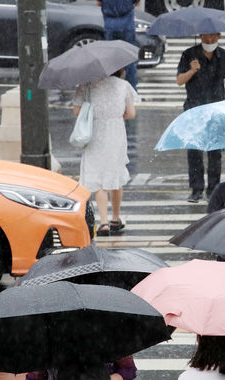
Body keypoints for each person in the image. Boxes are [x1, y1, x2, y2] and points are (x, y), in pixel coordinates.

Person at [74, 69, 137, 236]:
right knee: (115, 175)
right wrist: (116, 115)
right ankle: (115, 218)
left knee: (99, 178)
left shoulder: (86, 85)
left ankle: (103, 222)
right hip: (116, 133)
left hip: (95, 133)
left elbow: (76, 111)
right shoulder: (124, 86)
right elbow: (131, 113)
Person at [177, 33, 225, 203]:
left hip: (216, 108)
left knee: (215, 151)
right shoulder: (188, 54)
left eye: (213, 38)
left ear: (219, 36)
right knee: (194, 150)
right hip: (194, 108)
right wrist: (192, 70)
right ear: (200, 36)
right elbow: (179, 81)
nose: (209, 41)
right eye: (206, 38)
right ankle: (196, 189)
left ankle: (213, 189)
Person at [97, 0, 139, 90]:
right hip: (127, 24)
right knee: (129, 57)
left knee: (111, 59)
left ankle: (112, 88)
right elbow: (137, 3)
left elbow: (98, 3)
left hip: (110, 24)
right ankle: (131, 90)